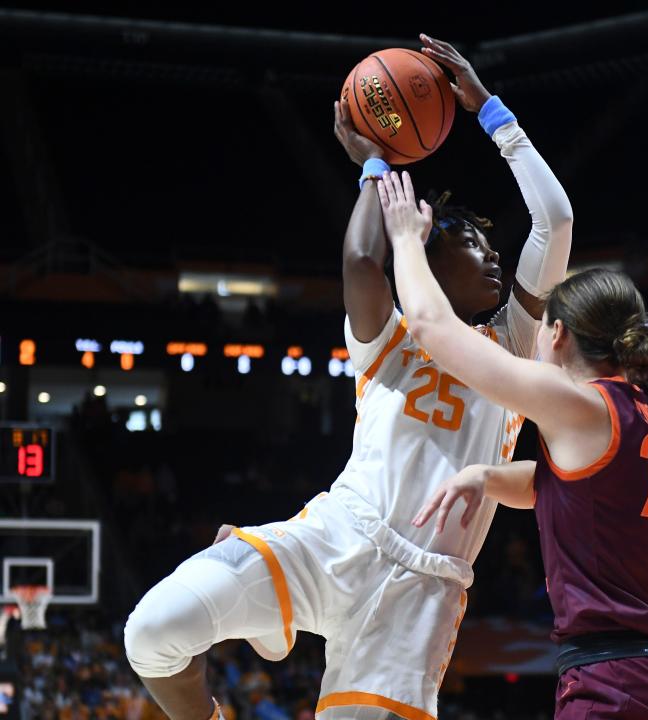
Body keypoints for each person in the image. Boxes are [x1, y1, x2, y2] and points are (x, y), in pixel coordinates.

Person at [123, 34, 573, 720]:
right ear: (424, 252)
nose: (494, 257)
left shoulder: (512, 346)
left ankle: (272, 626)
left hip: (422, 589)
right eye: (473, 243)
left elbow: (556, 219)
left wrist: (489, 111)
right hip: (338, 533)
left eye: (493, 246)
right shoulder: (387, 339)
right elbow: (363, 265)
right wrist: (373, 167)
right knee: (151, 634)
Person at [381, 171, 648, 719]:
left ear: (555, 335)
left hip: (611, 683)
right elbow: (573, 490)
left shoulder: (577, 401)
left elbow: (431, 325)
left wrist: (405, 242)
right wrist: (485, 476)